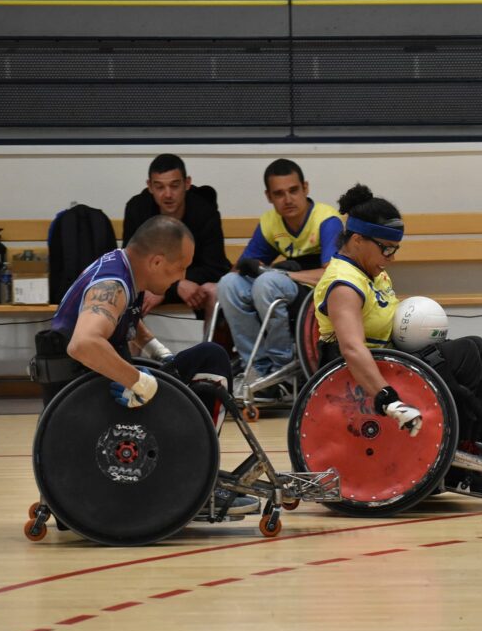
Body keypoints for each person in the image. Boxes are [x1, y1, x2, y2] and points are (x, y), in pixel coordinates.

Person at [33, 215, 257, 516]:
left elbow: (124, 319)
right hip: (89, 409)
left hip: (96, 392)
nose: (182, 275)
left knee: (206, 356)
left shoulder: (122, 267)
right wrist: (138, 381)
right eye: (180, 267)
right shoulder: (112, 285)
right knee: (212, 360)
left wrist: (158, 351)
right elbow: (83, 344)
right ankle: (195, 485)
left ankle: (195, 476)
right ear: (156, 262)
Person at [314, 184, 482, 453]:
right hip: (363, 373)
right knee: (466, 354)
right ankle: (458, 448)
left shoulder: (372, 273)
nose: (391, 258)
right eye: (386, 249)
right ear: (357, 239)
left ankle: (473, 441)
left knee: (475, 346)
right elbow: (352, 349)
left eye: (395, 249)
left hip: (389, 357)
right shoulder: (344, 284)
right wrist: (387, 398)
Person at [217, 158, 342, 389]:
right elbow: (241, 268)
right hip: (284, 283)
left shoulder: (326, 220)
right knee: (228, 284)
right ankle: (256, 368)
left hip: (316, 292)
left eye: (293, 190)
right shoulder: (270, 222)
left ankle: (281, 371)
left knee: (267, 282)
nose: (288, 199)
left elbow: (333, 275)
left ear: (305, 188)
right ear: (269, 196)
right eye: (279, 194)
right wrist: (247, 270)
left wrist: (283, 275)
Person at [122, 154, 229, 317]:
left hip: (193, 288)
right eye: (159, 187)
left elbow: (215, 269)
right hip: (152, 289)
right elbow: (131, 264)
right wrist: (172, 285)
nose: (168, 194)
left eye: (174, 186)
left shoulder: (205, 212)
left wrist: (170, 287)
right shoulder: (137, 209)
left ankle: (209, 335)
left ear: (187, 183)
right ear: (150, 186)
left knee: (211, 291)